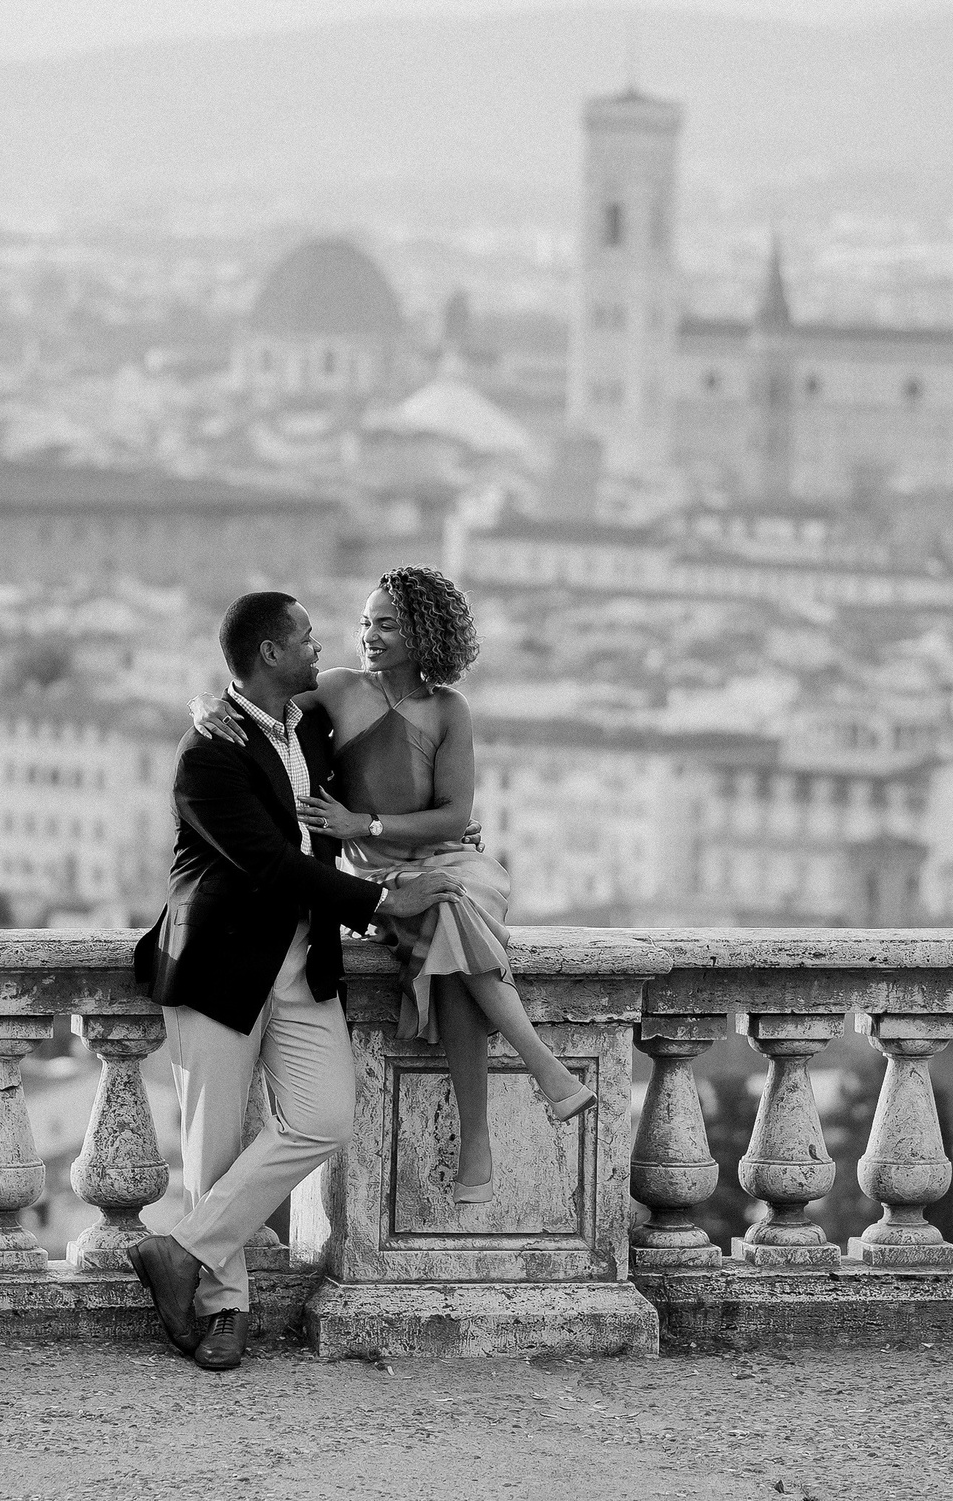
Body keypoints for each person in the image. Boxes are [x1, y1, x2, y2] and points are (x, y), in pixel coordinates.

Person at [128, 590, 462, 1372]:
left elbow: (394, 736)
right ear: (272, 653)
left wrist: (434, 835)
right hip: (220, 961)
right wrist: (382, 901)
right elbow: (273, 865)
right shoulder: (205, 752)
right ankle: (224, 1309)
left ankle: (178, 1250)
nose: (323, 647)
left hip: (305, 958)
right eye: (307, 638)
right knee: (213, 1145)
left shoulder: (310, 721)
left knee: (324, 1113)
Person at [194, 565, 595, 1209]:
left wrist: (366, 821)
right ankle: (529, 1080)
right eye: (365, 622)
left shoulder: (448, 710)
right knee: (446, 933)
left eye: (386, 623)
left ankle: (484, 1134)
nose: (369, 635)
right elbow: (259, 695)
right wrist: (207, 704)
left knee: (450, 905)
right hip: (379, 874)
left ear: (423, 633)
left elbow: (454, 814)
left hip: (450, 859)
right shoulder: (337, 689)